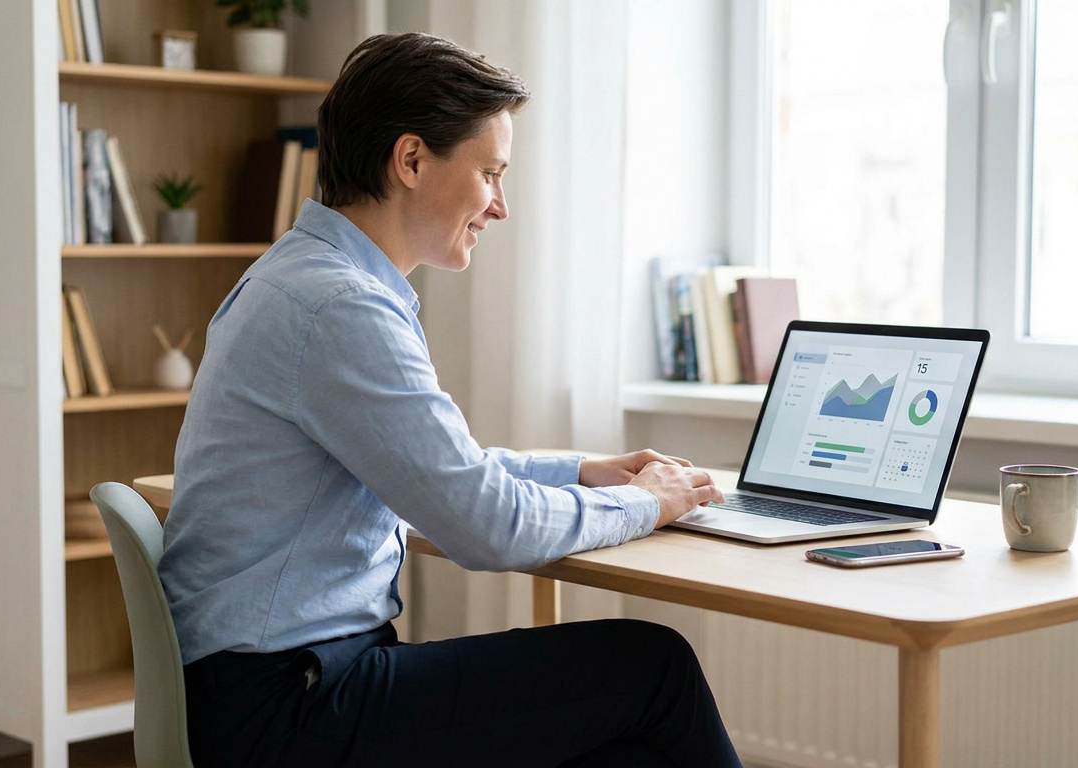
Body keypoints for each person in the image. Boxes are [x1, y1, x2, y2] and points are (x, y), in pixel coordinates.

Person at [157, 32, 742, 768]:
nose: (500, 207)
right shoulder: (339, 307)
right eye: (490, 173)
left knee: (623, 751)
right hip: (288, 709)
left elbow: (435, 469)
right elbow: (485, 524)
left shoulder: (300, 277)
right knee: (656, 668)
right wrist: (648, 503)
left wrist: (580, 472)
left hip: (264, 689)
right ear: (410, 160)